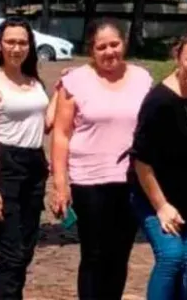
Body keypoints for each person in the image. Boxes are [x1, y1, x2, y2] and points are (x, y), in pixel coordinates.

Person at [50, 20, 153, 300]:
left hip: (131, 181)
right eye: (102, 46)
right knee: (94, 255)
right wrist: (61, 184)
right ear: (92, 50)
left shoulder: (143, 78)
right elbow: (61, 134)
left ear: (124, 44)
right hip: (88, 180)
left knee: (119, 256)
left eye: (114, 44)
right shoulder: (74, 81)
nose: (109, 51)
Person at [131, 33, 187, 300]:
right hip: (155, 195)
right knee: (171, 257)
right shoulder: (159, 101)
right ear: (177, 58)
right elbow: (141, 161)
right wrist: (161, 207)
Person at [0, 18, 57, 300]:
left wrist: (61, 90)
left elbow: (45, 124)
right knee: (10, 253)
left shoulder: (35, 82)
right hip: (6, 165)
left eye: (23, 42)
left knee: (26, 248)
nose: (17, 48)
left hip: (35, 165)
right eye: (10, 42)